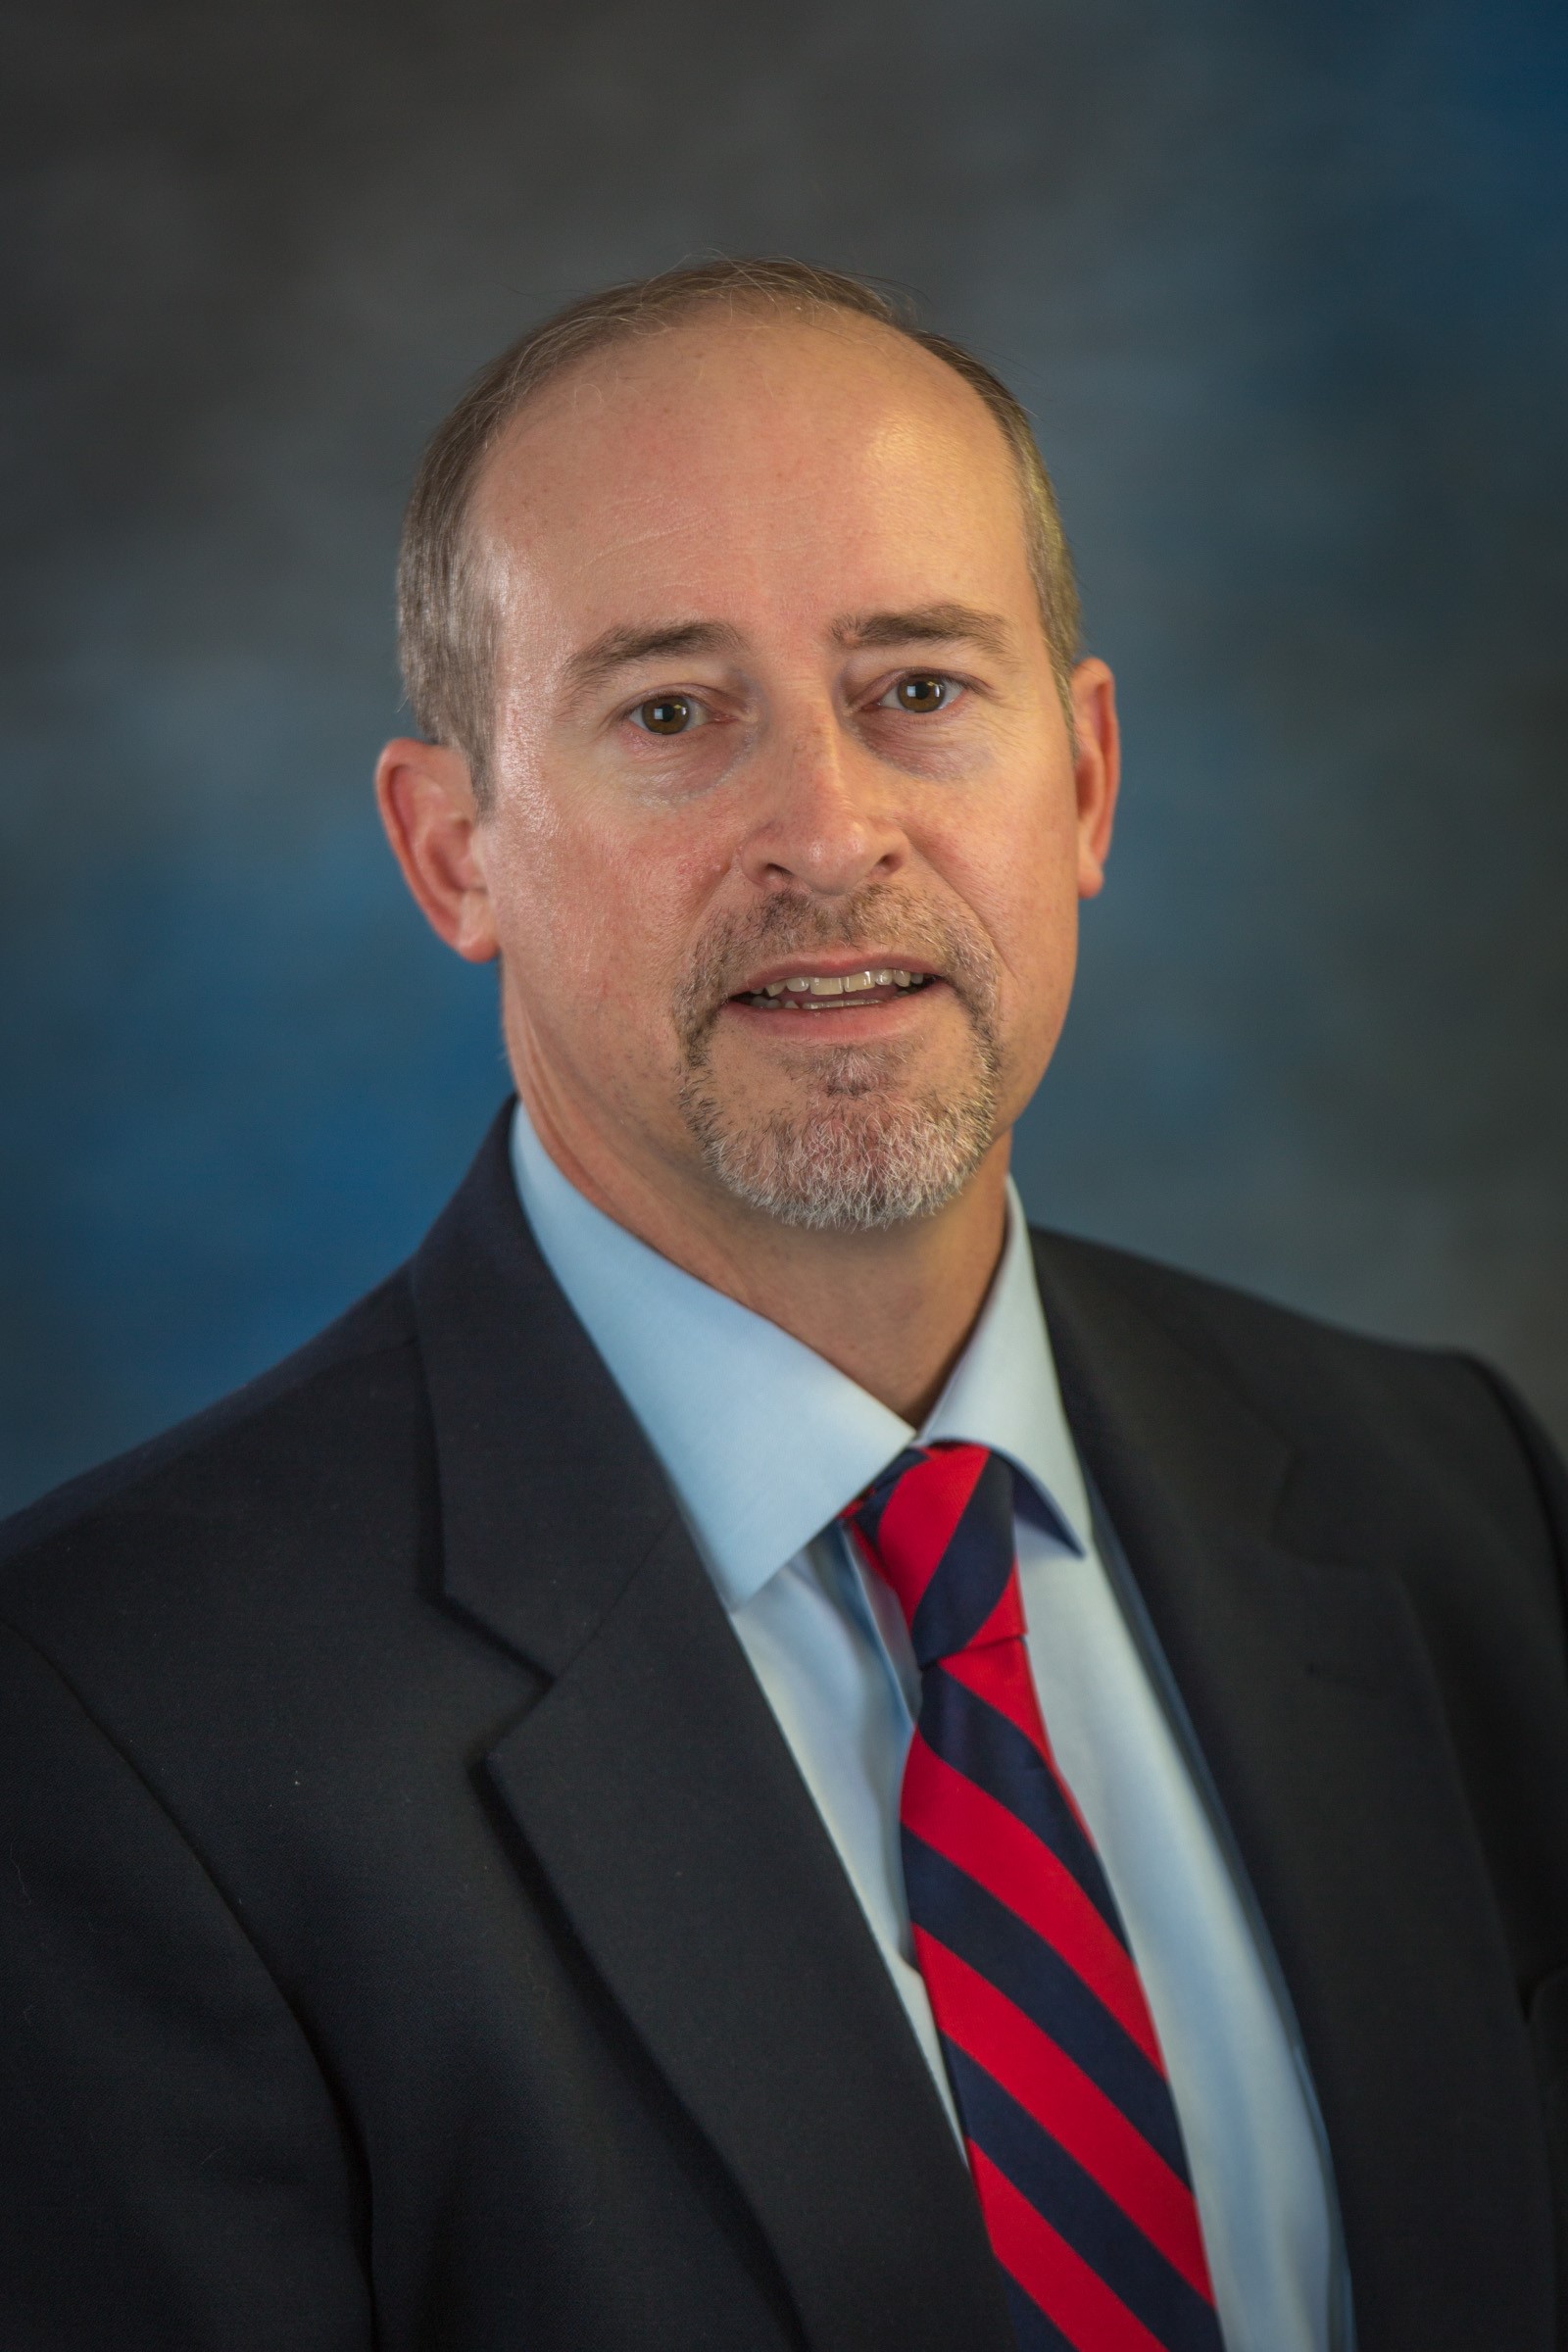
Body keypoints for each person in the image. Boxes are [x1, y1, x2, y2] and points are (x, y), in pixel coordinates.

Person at [1, 258, 1564, 2352]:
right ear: (452, 849)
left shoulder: (1455, 1500)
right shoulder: (107, 1729)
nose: (825, 833)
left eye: (914, 687)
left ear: (1082, 784)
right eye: (669, 712)